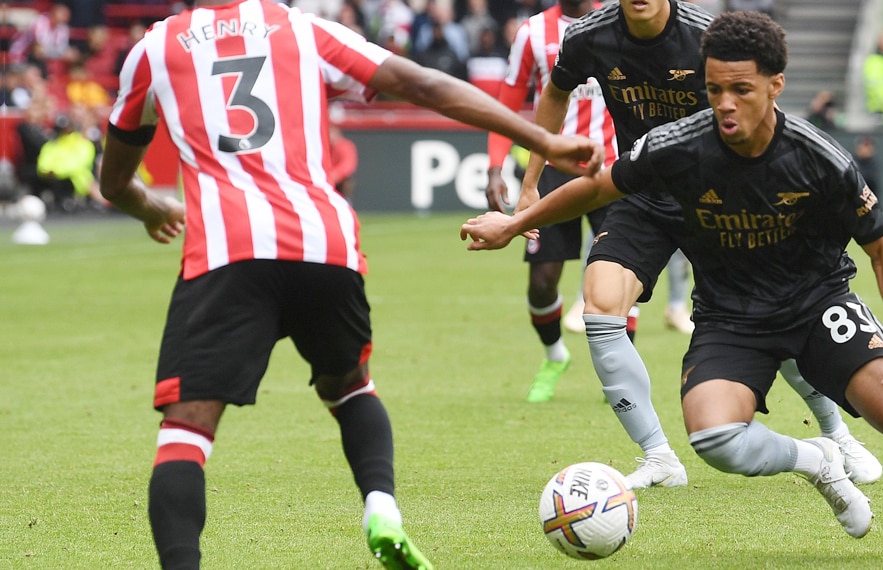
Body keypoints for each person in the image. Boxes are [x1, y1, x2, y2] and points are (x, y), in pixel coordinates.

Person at [461, 11, 883, 563]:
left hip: (817, 304)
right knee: (713, 435)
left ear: (775, 85)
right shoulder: (677, 147)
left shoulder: (819, 159)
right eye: (714, 88)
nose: (724, 103)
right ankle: (817, 459)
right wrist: (515, 223)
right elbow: (597, 189)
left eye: (740, 90)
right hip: (729, 318)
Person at [98, 1, 603, 568]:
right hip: (324, 245)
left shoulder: (155, 50)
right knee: (350, 387)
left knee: (187, 428)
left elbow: (114, 180)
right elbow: (423, 83)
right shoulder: (300, 28)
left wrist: (147, 207)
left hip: (227, 249)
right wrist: (546, 140)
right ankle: (382, 509)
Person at [515, 0, 882, 488]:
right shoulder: (588, 37)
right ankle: (659, 458)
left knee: (774, 308)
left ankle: (837, 435)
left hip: (721, 196)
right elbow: (555, 94)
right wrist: (529, 181)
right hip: (643, 194)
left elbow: (758, 114)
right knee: (600, 302)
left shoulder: (706, 39)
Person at [485, 0, 618, 403]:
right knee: (542, 284)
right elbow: (506, 102)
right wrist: (495, 166)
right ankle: (555, 355)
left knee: (616, 279)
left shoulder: (620, 22)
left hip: (613, 170)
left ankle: (617, 379)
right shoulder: (532, 33)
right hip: (553, 171)